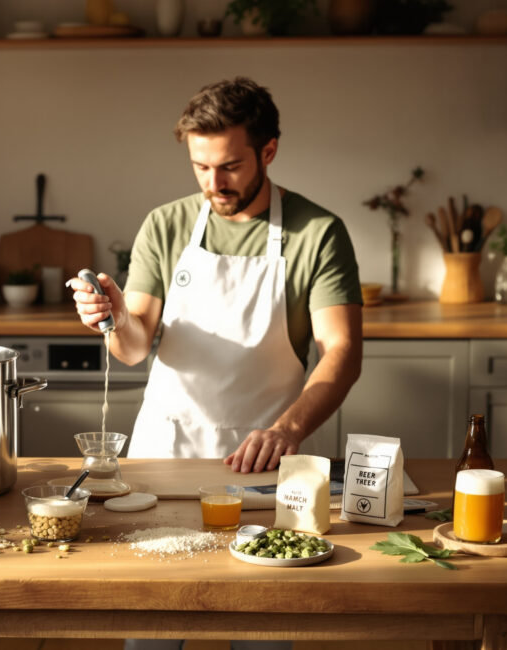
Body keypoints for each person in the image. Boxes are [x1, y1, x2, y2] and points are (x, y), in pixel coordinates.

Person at [69, 76, 363, 476]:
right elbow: (134, 350)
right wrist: (119, 319)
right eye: (201, 167)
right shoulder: (165, 224)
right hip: (166, 449)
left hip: (268, 454)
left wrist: (288, 430)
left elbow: (342, 351)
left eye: (231, 167)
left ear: (268, 151)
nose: (214, 184)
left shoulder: (318, 232)